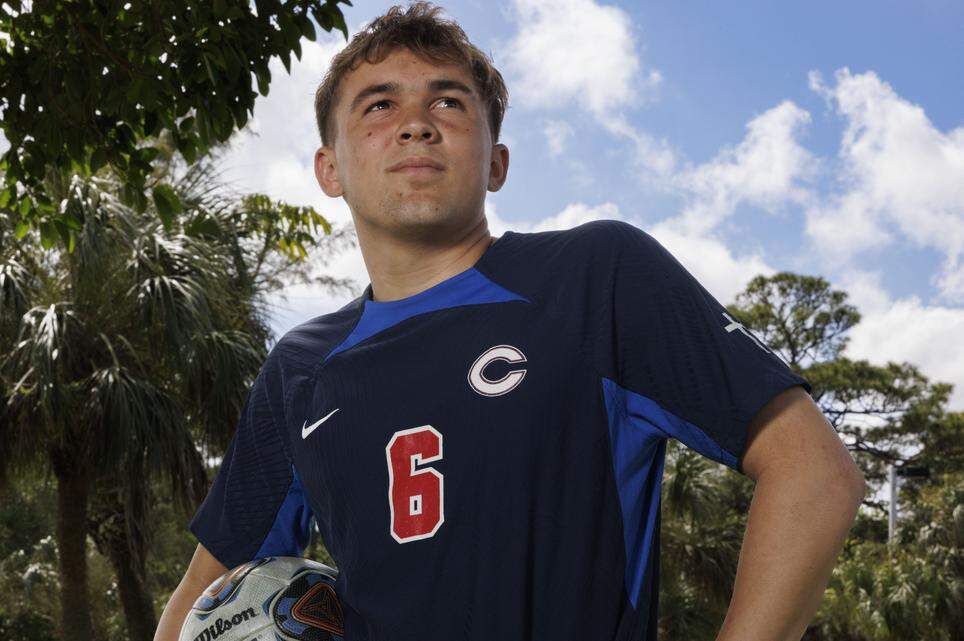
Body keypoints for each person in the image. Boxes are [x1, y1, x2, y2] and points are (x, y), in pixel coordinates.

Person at [154, 3, 867, 640]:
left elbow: (813, 470)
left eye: (450, 103)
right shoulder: (300, 368)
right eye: (377, 106)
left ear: (495, 162)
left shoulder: (595, 277)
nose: (415, 123)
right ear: (329, 168)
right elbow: (198, 603)